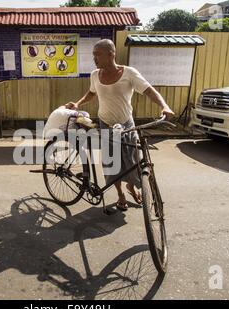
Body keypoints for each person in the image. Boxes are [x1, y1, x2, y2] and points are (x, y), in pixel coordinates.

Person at [65, 39, 174, 211]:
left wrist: (164, 106)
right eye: (93, 55)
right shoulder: (95, 75)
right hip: (106, 125)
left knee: (132, 162)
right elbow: (91, 93)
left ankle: (131, 186)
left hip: (126, 126)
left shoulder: (128, 73)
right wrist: (78, 103)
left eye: (97, 54)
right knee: (111, 164)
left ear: (111, 54)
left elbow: (149, 90)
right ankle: (120, 194)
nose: (94, 58)